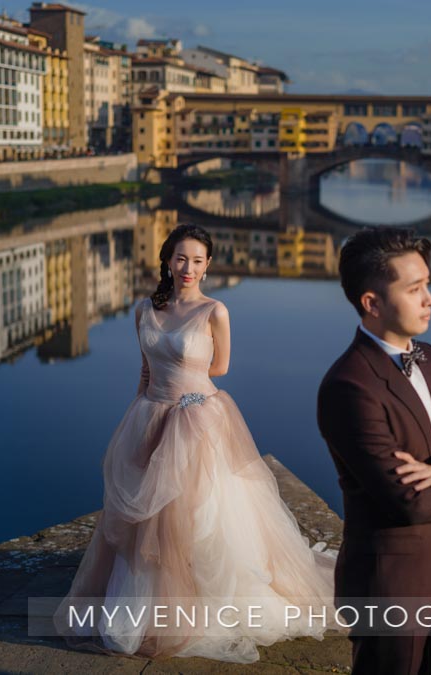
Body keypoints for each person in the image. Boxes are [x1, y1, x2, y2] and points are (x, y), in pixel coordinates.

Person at [54, 224, 340, 663]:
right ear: (167, 261)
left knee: (202, 514)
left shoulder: (215, 311)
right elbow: (146, 370)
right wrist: (138, 419)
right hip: (150, 414)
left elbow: (219, 367)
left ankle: (203, 596)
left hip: (197, 418)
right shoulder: (143, 310)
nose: (188, 268)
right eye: (181, 258)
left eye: (198, 260)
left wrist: (187, 399)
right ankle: (147, 601)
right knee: (146, 518)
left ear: (208, 266)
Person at [317, 226, 431, 675]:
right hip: (389, 588)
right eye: (415, 288)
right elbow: (407, 501)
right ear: (372, 303)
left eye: (428, 285)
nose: (430, 299)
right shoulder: (349, 386)